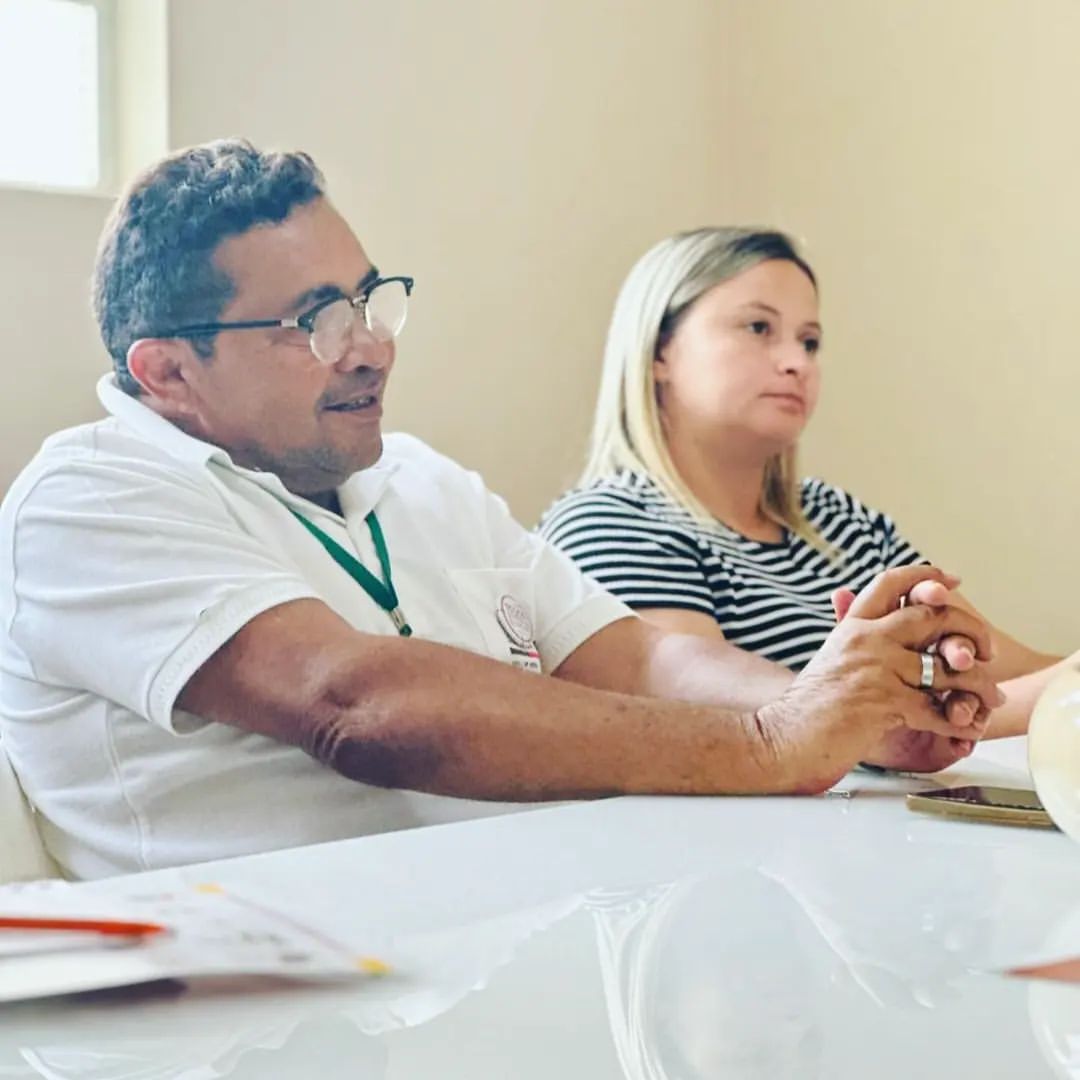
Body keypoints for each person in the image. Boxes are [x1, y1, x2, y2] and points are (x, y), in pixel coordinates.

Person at [0, 143, 999, 880]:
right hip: (253, 1020)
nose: (371, 347)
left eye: (371, 301)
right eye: (317, 322)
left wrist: (846, 712)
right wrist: (776, 742)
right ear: (168, 372)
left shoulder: (423, 480)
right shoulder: (88, 500)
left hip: (511, 948)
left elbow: (635, 657)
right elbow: (358, 708)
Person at [540, 227, 1071, 738]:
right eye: (758, 328)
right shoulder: (607, 523)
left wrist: (982, 670)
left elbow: (1014, 673)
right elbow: (714, 731)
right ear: (659, 351)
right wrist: (1049, 698)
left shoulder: (841, 521)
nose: (797, 362)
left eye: (810, 342)